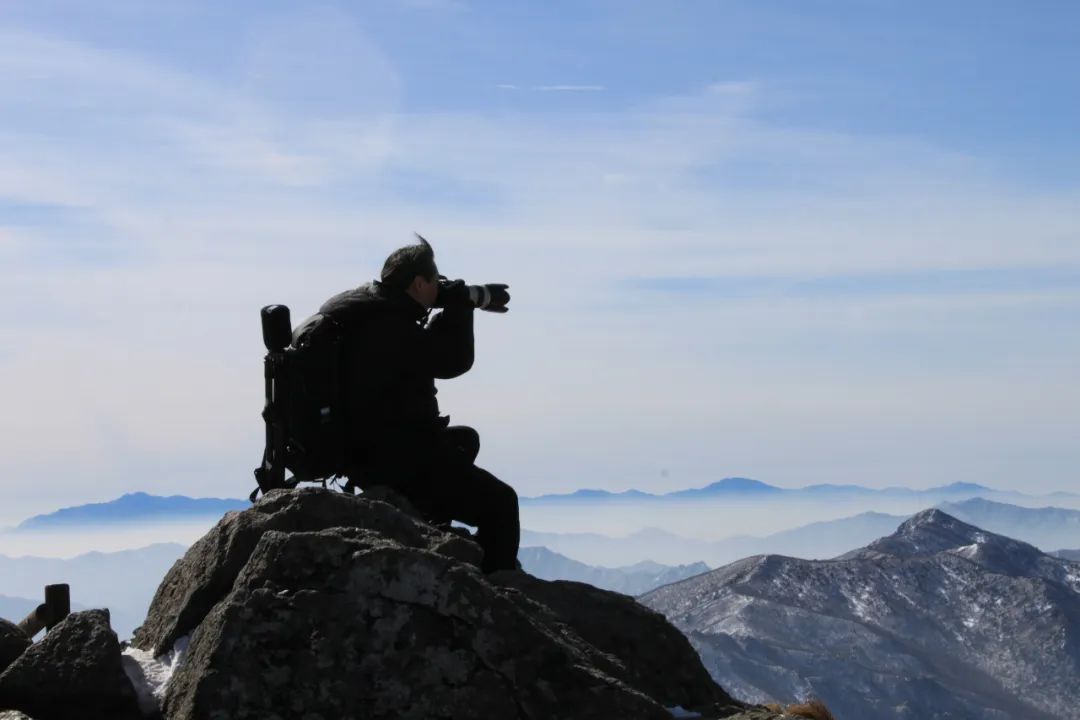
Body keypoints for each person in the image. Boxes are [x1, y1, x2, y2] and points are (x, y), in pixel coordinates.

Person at [318, 236, 520, 573]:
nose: (440, 287)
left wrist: (457, 298)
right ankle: (494, 592)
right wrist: (461, 304)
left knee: (465, 440)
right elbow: (454, 360)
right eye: (435, 281)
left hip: (362, 451)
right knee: (501, 503)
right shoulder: (391, 328)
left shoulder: (364, 311)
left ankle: (428, 523)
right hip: (399, 458)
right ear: (418, 283)